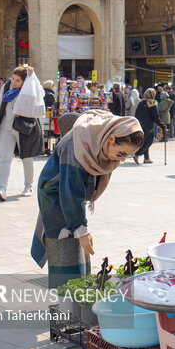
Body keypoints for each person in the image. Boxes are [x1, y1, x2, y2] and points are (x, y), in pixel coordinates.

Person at [31, 110, 143, 288]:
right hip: (57, 197)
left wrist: (80, 229)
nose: (121, 160)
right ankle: (65, 303)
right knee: (65, 248)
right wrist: (80, 228)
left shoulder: (100, 136)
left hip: (71, 198)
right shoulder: (78, 145)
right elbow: (70, 190)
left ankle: (74, 297)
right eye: (121, 154)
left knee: (78, 248)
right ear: (112, 139)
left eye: (127, 157)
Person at [0, 66, 44, 201]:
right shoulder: (7, 87)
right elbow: (1, 106)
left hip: (23, 127)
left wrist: (32, 75)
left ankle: (28, 186)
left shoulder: (30, 90)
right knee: (5, 158)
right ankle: (1, 188)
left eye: (18, 80)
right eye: (13, 78)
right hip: (5, 127)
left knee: (26, 157)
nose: (14, 82)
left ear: (25, 81)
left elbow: (40, 93)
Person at [134, 88, 165, 164]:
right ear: (153, 95)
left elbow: (136, 114)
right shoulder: (152, 102)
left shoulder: (141, 102)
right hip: (148, 126)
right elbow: (155, 117)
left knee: (145, 141)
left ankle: (146, 158)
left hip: (140, 125)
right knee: (149, 141)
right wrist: (162, 125)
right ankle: (137, 154)